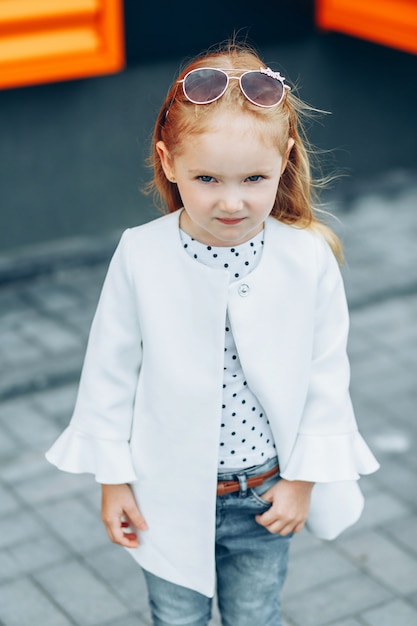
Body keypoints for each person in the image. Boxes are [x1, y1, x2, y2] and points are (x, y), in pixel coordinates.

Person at [46, 40, 379, 626]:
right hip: (165, 492)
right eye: (207, 178)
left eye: (253, 177)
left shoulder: (306, 258)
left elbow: (327, 375)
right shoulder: (140, 254)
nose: (231, 201)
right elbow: (110, 371)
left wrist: (302, 480)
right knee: (175, 618)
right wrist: (113, 480)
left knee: (256, 616)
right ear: (169, 162)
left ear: (285, 161)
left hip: (265, 495)